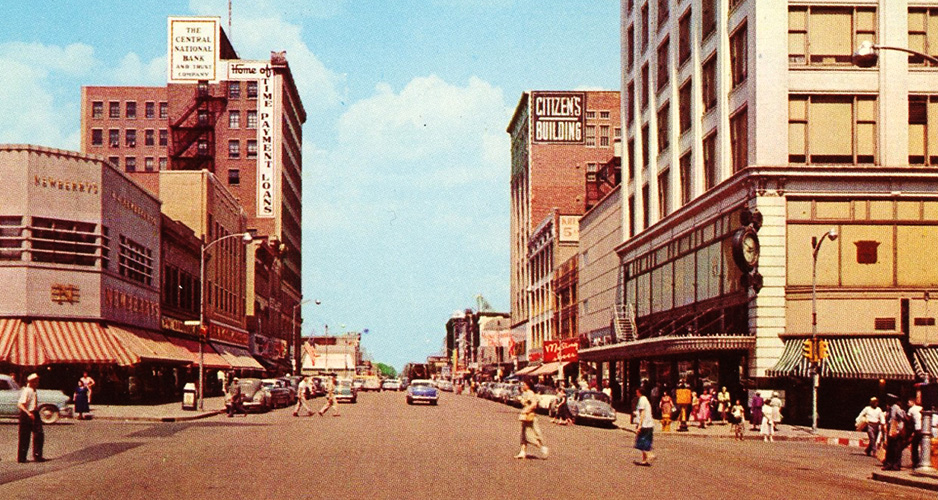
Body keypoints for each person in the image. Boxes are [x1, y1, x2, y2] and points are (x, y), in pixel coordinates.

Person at [515, 379, 548, 459]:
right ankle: (522, 452)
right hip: (526, 417)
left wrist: (526, 410)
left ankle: (542, 448)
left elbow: (534, 404)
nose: (522, 386)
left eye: (524, 385)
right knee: (523, 435)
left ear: (528, 385)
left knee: (529, 436)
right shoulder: (525, 393)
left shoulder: (530, 393)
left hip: (529, 416)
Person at [17, 373, 44, 463]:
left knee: (39, 433)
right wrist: (28, 413)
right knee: (24, 436)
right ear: (31, 382)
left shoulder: (34, 390)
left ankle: (37, 455)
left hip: (34, 413)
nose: (37, 382)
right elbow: (20, 404)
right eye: (36, 381)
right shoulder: (27, 391)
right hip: (27, 414)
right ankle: (21, 457)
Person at [882, 394, 906, 471]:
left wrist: (898, 429)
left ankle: (896, 464)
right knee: (890, 448)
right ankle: (889, 464)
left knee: (896, 449)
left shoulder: (896, 408)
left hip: (896, 431)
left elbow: (902, 417)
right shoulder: (890, 408)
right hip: (891, 431)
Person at [633, 387, 656, 466]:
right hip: (649, 424)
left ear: (640, 392)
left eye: (637, 392)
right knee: (645, 441)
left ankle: (650, 454)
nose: (636, 394)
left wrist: (639, 425)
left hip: (645, 425)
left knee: (641, 441)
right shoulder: (645, 400)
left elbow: (642, 413)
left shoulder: (642, 400)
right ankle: (644, 460)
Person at [907, 396, 923, 469]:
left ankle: (915, 462)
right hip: (924, 429)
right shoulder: (920, 408)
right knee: (923, 446)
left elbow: (908, 419)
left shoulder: (911, 410)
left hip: (917, 429)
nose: (908, 404)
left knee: (914, 446)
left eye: (909, 402)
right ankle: (921, 461)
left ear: (912, 402)